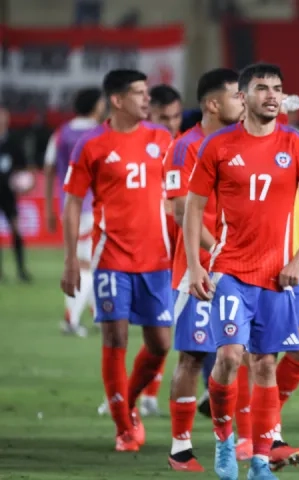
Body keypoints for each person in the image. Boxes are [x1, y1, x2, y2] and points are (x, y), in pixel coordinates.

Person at [184, 62, 299, 480]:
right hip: (230, 269)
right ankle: (225, 441)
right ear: (244, 96)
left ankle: (262, 461)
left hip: (277, 277)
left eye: (278, 89)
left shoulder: (296, 144)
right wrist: (196, 264)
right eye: (262, 88)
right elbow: (193, 206)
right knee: (230, 356)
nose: (272, 95)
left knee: (265, 364)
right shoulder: (218, 146)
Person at [61, 69, 174, 451]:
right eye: (140, 94)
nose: (148, 100)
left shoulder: (162, 139)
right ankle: (124, 427)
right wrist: (70, 262)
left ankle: (126, 399)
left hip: (157, 258)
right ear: (118, 100)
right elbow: (73, 203)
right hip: (111, 256)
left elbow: (179, 198)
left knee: (160, 344)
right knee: (116, 337)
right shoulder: (90, 145)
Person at [163, 67, 243, 472]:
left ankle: (232, 430)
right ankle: (180, 444)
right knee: (193, 356)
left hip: (237, 270)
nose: (243, 100)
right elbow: (181, 211)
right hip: (197, 270)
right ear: (213, 103)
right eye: (236, 94)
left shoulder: (239, 143)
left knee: (240, 353)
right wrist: (220, 250)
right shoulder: (185, 147)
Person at [44, 88, 105, 336]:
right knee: (88, 264)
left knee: (87, 261)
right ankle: (72, 319)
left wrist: (49, 206)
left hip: (68, 206)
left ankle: (98, 314)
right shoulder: (101, 133)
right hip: (94, 207)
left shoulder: (60, 134)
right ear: (95, 106)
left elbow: (48, 169)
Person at [140, 83, 185, 415]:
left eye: (175, 116)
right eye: (162, 117)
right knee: (158, 331)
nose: (170, 124)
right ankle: (138, 394)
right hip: (151, 250)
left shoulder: (186, 146)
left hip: (184, 247)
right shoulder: (139, 147)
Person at [0, 106, 32, 283]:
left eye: (3, 118)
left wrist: (24, 183)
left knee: (16, 230)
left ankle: (21, 270)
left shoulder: (13, 142)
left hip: (9, 195)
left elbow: (24, 168)